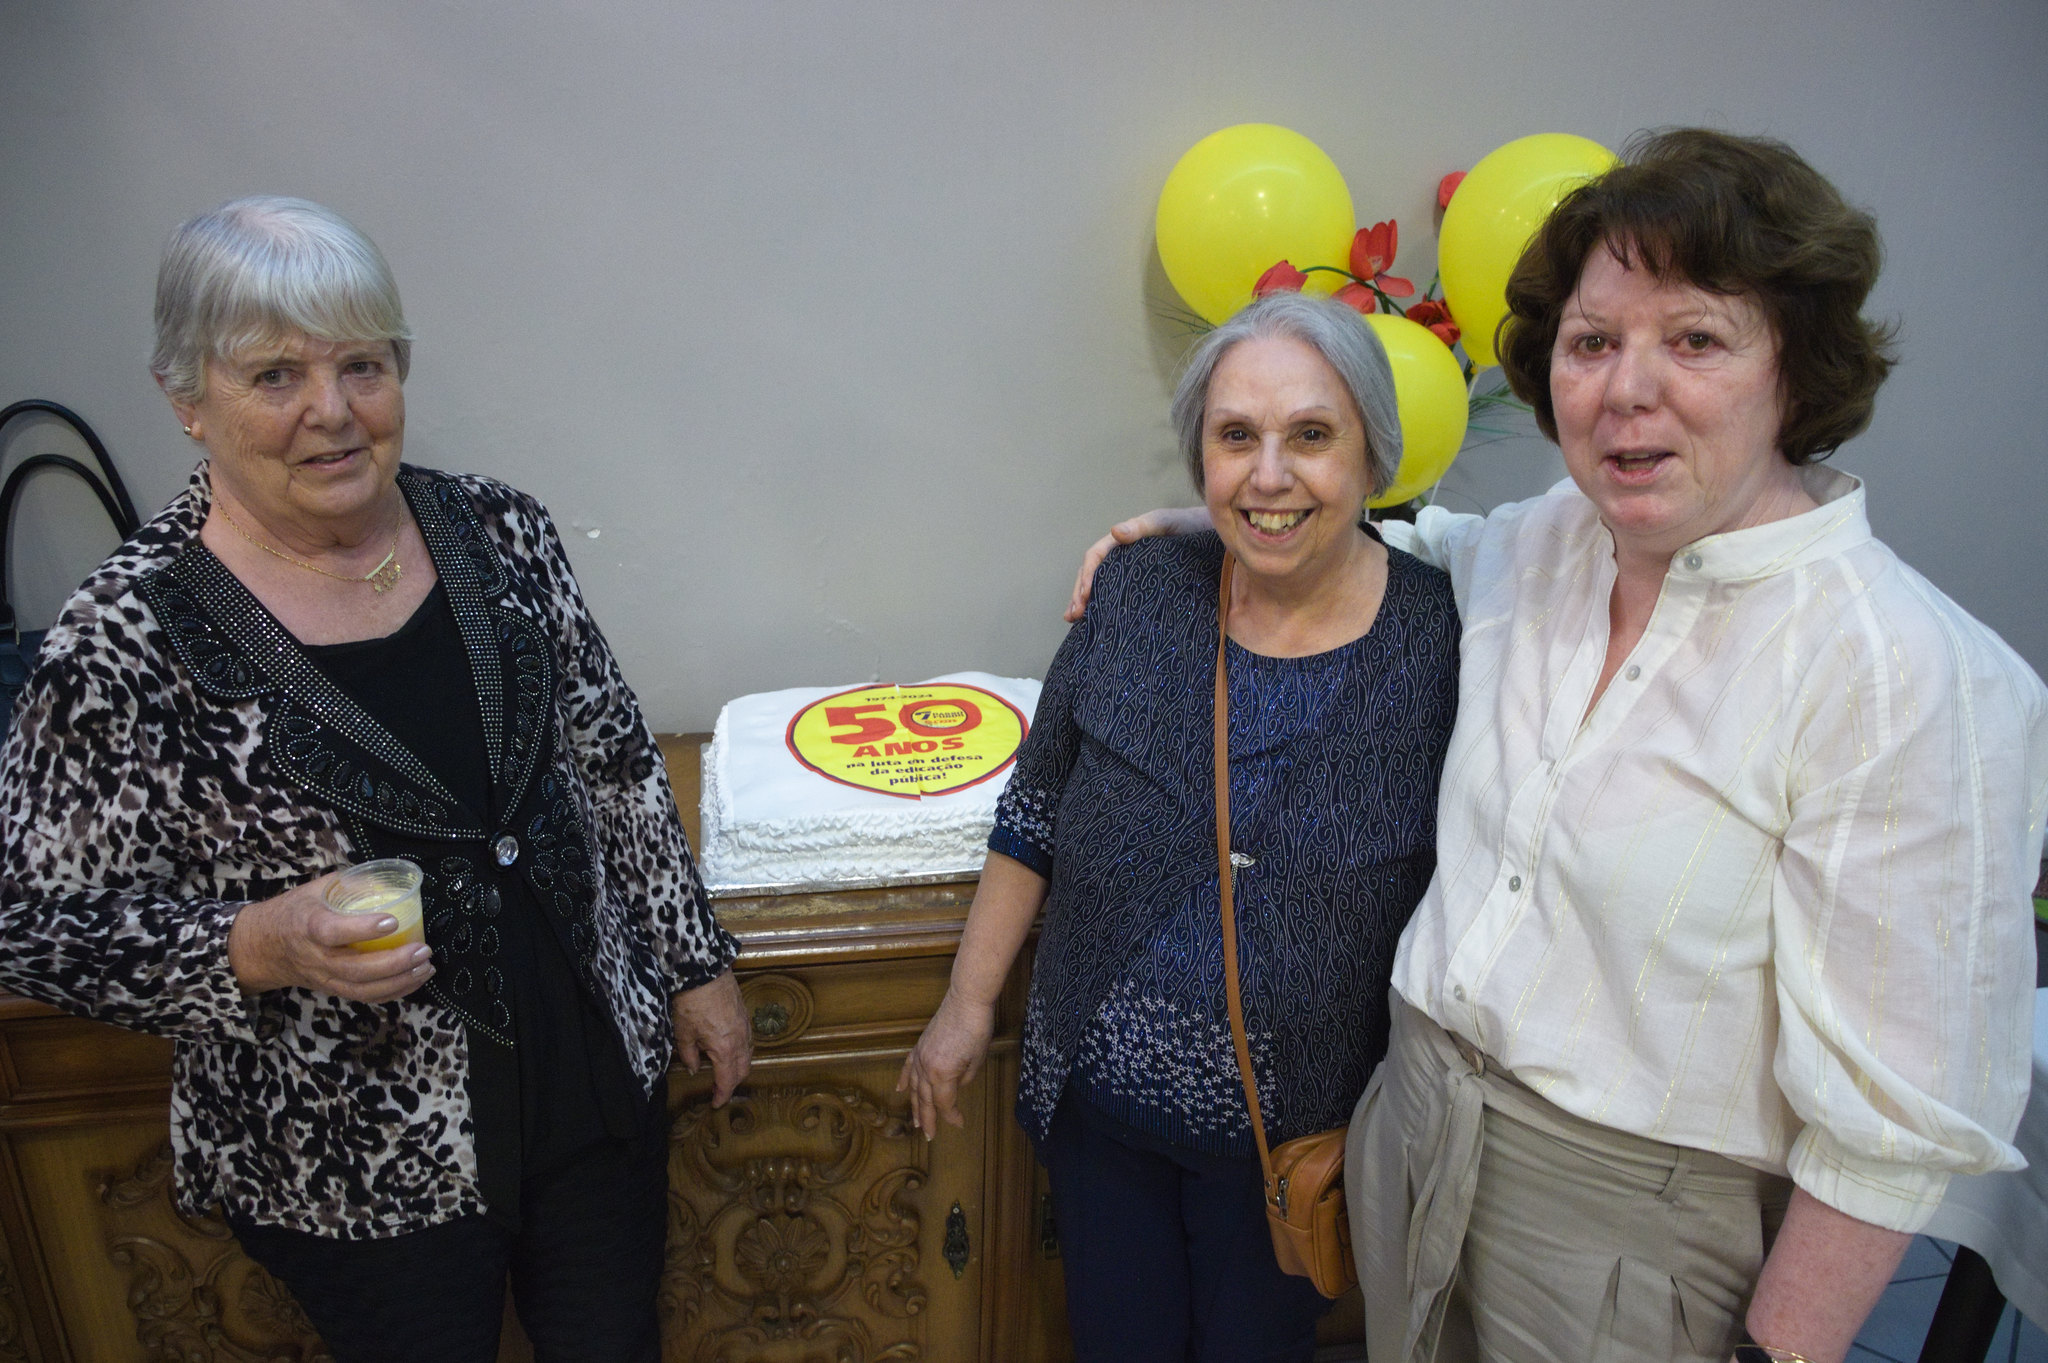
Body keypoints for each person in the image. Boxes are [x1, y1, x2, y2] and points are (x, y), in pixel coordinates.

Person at [1067, 129, 2048, 1363]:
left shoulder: (1910, 676)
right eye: (1590, 343)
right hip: (1406, 1140)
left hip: (1625, 1234)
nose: (1625, 388)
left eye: (1693, 339)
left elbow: (1893, 1132)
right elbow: (1400, 549)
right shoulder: (1545, 543)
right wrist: (1219, 527)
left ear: (1795, 368)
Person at [0, 196, 751, 1362]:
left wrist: (695, 968)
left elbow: (612, 762)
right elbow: (32, 924)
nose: (332, 410)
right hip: (351, 1161)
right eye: (274, 374)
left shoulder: (500, 529)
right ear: (187, 399)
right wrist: (259, 941)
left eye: (362, 364)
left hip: (592, 1090)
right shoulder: (126, 634)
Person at [900, 291, 1459, 1363]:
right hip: (1099, 1118)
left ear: (1372, 453)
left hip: (1293, 1144)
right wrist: (965, 1007)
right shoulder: (1141, 591)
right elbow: (1035, 808)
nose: (1268, 474)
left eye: (1310, 435)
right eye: (1235, 436)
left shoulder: (1442, 639)